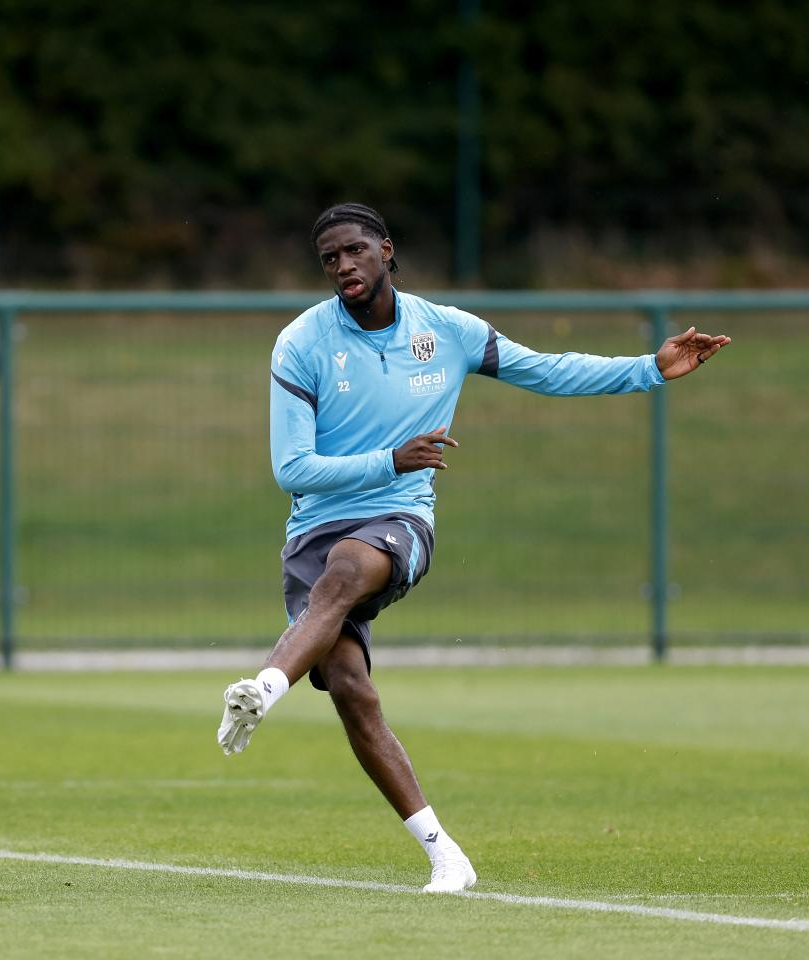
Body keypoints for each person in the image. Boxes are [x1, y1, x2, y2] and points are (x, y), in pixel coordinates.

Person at [217, 202, 730, 893]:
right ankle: (445, 855)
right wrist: (389, 457)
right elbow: (292, 470)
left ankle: (263, 689)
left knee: (347, 570)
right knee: (350, 691)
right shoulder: (302, 343)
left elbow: (547, 370)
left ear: (387, 251)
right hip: (315, 527)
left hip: (401, 519)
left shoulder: (447, 330)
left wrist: (649, 369)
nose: (343, 266)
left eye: (355, 250)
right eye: (329, 258)